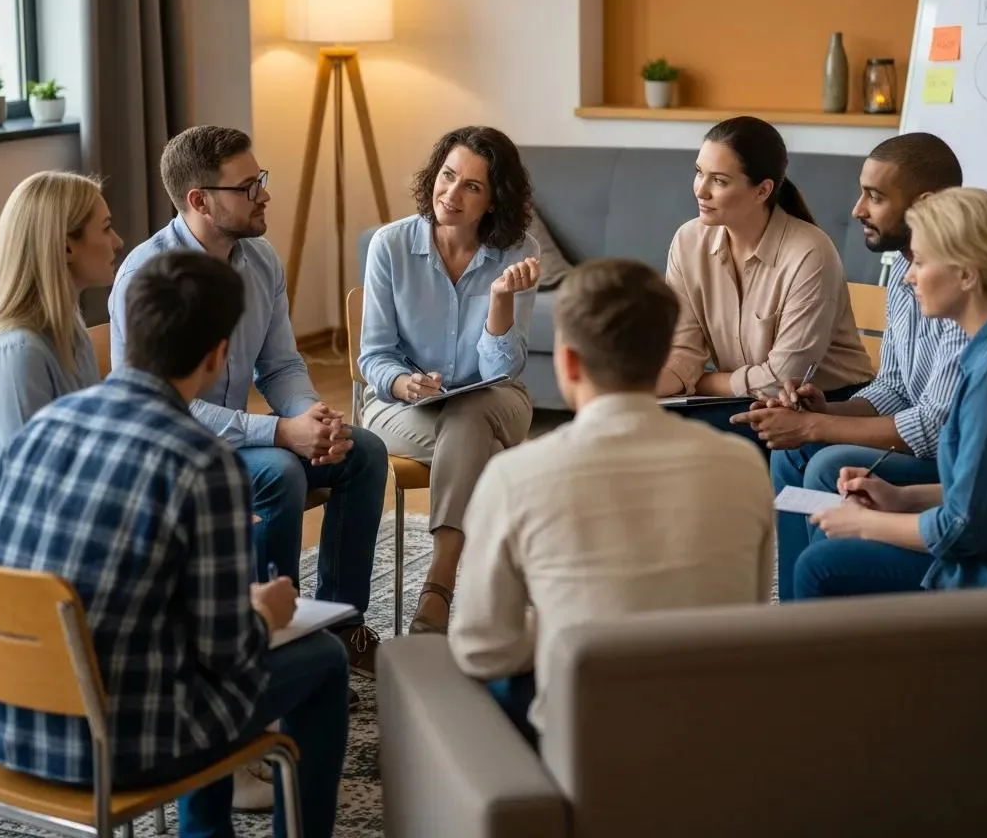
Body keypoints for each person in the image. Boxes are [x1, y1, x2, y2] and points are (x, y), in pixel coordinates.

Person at [0, 250, 349, 838]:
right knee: (325, 660)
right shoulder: (202, 464)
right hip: (122, 750)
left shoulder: (43, 428)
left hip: (7, 729)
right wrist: (263, 613)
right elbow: (227, 654)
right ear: (217, 355)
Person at [448, 259, 775, 744]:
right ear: (664, 353)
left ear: (569, 362)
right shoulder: (745, 465)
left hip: (588, 746)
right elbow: (745, 613)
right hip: (716, 732)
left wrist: (560, 625)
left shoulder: (514, 477)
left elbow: (482, 649)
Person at [110, 125, 388, 677]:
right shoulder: (148, 275)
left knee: (366, 451)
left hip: (239, 440)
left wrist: (313, 417)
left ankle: (337, 624)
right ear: (200, 201)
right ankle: (276, 645)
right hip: (178, 454)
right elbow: (161, 405)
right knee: (279, 472)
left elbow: (280, 364)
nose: (264, 193)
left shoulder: (261, 261)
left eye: (260, 178)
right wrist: (282, 433)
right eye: (247, 186)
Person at [731, 132, 967, 600]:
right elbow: (897, 387)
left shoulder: (959, 287)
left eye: (875, 197)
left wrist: (819, 427)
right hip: (924, 443)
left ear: (926, 204)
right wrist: (824, 411)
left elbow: (935, 428)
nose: (857, 208)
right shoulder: (906, 272)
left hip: (953, 459)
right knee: (791, 449)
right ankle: (800, 603)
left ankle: (835, 599)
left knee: (829, 461)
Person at [360, 126, 540, 634]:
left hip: (494, 398)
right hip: (401, 406)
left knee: (471, 411)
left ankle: (437, 582)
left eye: (472, 187)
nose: (452, 195)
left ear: (494, 200)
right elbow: (373, 357)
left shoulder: (517, 250)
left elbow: (501, 372)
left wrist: (500, 302)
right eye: (447, 176)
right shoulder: (390, 245)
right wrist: (403, 384)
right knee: (469, 433)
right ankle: (448, 587)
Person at [793, 188, 987, 598]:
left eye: (922, 262)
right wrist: (901, 497)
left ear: (967, 274)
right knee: (832, 550)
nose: (909, 275)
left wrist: (865, 524)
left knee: (822, 565)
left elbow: (962, 530)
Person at [657, 116, 873, 441]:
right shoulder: (688, 241)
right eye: (699, 172)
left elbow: (784, 378)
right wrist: (652, 383)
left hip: (824, 404)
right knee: (638, 426)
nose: (701, 190)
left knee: (678, 440)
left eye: (719, 180)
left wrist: (701, 381)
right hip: (745, 399)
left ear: (762, 190)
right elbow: (683, 347)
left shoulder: (809, 252)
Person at [0, 171, 122, 540]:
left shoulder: (68, 327)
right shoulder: (18, 351)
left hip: (62, 508)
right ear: (65, 247)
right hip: (9, 530)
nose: (118, 241)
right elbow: (35, 487)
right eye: (106, 228)